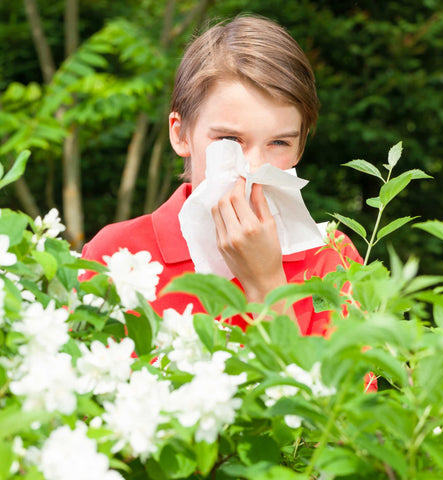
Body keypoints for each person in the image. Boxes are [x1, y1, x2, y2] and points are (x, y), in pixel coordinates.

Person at [81, 15, 363, 336]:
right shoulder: (117, 253)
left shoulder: (330, 259)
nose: (254, 167)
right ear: (181, 135)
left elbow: (350, 386)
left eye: (279, 142)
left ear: (299, 149)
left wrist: (267, 285)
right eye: (230, 140)